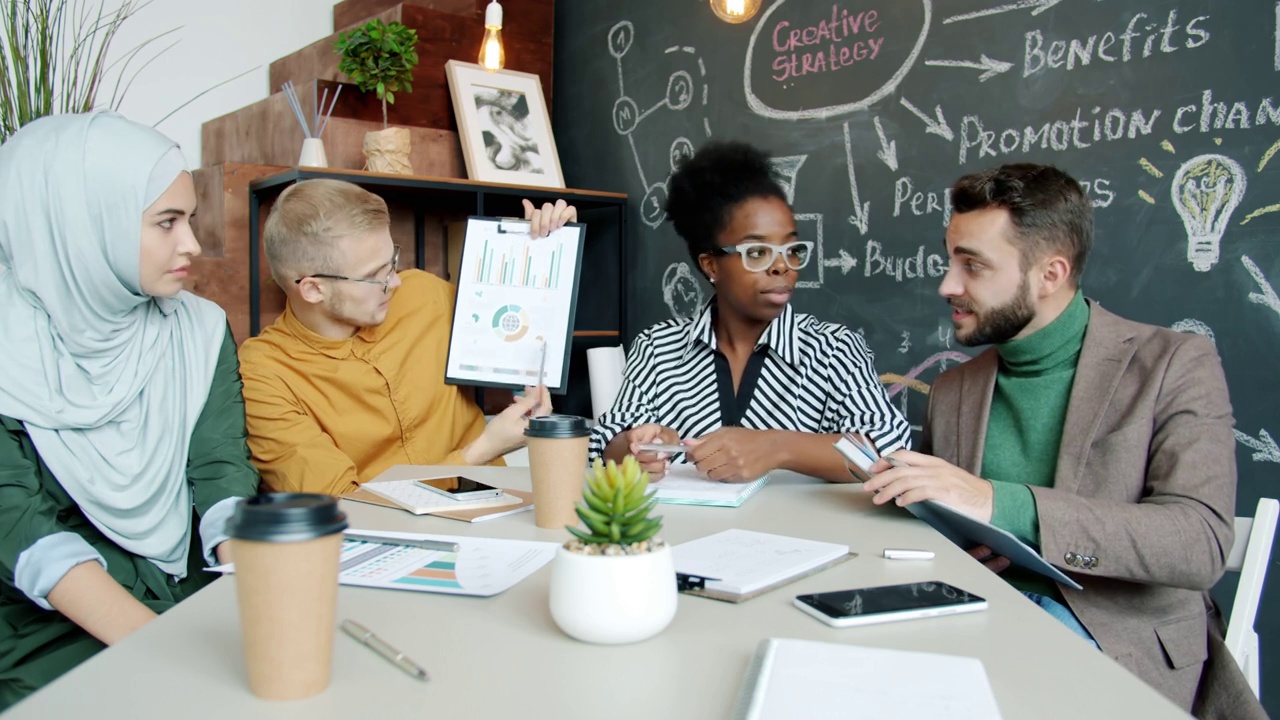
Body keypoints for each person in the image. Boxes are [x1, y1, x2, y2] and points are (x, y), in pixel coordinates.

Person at [861, 163, 1264, 718]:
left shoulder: (1173, 363)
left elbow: (1200, 543)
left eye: (973, 266)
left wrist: (997, 503)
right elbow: (950, 531)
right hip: (970, 620)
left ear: (1050, 274)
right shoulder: (954, 389)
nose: (948, 286)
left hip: (1117, 643)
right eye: (951, 260)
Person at [0, 112, 260, 709]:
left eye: (189, 219)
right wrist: (172, 658)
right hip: (52, 628)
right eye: (165, 223)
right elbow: (21, 528)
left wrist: (254, 595)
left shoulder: (198, 327)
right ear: (78, 227)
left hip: (192, 587)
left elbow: (220, 467)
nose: (191, 244)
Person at [590, 141, 911, 483]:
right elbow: (606, 444)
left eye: (792, 249)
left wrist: (778, 447)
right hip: (681, 534)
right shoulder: (658, 348)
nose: (782, 266)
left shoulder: (834, 350)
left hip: (801, 535)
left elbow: (889, 452)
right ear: (711, 264)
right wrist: (638, 447)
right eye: (757, 252)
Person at [239, 179, 572, 495]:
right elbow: (342, 505)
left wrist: (540, 242)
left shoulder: (425, 293)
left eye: (391, 262)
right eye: (374, 276)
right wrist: (483, 450)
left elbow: (517, 322)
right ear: (313, 289)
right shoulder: (264, 373)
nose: (395, 282)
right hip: (383, 540)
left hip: (497, 504)